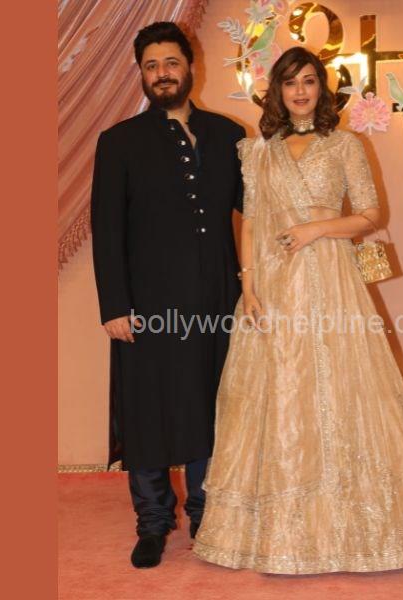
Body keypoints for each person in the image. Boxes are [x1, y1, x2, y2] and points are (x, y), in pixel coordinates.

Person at [192, 47, 403, 574]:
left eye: (309, 81)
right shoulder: (259, 151)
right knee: (277, 391)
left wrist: (316, 229)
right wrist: (249, 285)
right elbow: (251, 222)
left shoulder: (345, 145)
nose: (300, 91)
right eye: (290, 82)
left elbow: (369, 214)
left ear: (322, 88)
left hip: (330, 280)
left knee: (340, 387)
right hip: (273, 282)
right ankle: (276, 531)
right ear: (277, 90)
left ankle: (355, 527)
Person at [90, 21, 245, 569]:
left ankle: (206, 513)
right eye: (151, 66)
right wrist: (115, 306)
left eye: (171, 63)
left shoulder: (229, 136)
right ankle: (153, 522)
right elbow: (107, 230)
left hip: (217, 301)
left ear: (190, 66)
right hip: (147, 305)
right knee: (147, 410)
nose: (162, 74)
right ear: (141, 74)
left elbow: (262, 209)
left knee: (210, 404)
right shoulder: (119, 143)